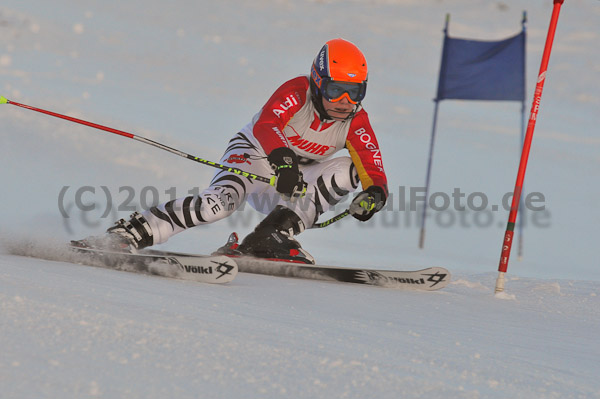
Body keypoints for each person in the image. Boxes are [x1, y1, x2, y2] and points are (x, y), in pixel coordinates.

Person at [74, 38, 388, 264]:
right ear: (318, 82)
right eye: (336, 90)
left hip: (293, 179)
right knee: (218, 206)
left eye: (355, 92)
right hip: (253, 156)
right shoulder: (297, 91)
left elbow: (372, 168)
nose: (345, 101)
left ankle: (271, 237)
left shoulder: (356, 121)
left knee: (349, 170)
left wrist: (373, 196)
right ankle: (129, 234)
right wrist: (284, 164)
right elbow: (267, 125)